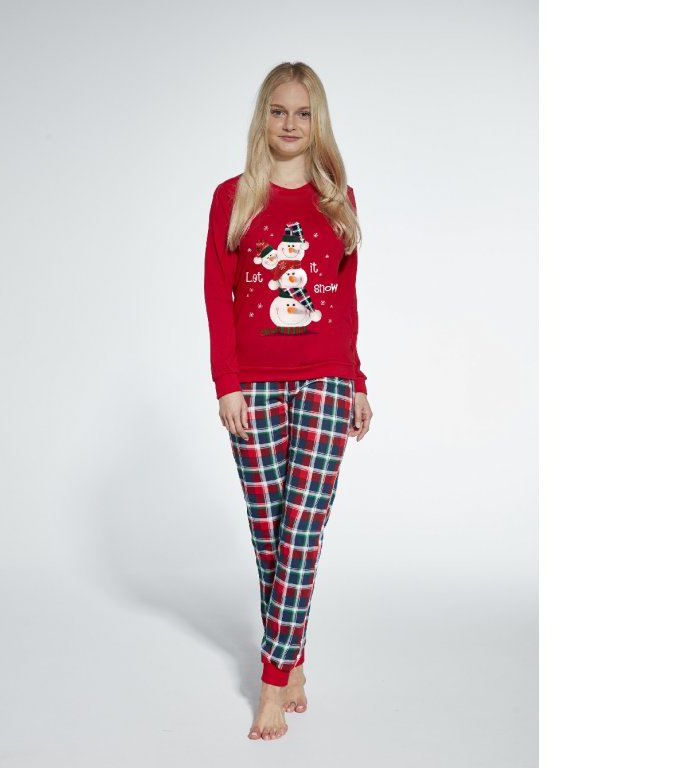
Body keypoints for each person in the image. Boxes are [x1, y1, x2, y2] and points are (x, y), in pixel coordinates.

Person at [202, 61, 374, 741]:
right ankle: (294, 659)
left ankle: (272, 683)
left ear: (318, 120)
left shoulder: (339, 199)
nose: (291, 124)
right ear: (263, 117)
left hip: (326, 376)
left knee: (303, 526)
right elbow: (216, 295)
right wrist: (226, 383)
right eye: (279, 111)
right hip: (254, 383)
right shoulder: (232, 197)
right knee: (270, 530)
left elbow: (347, 302)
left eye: (303, 113)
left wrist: (357, 379)